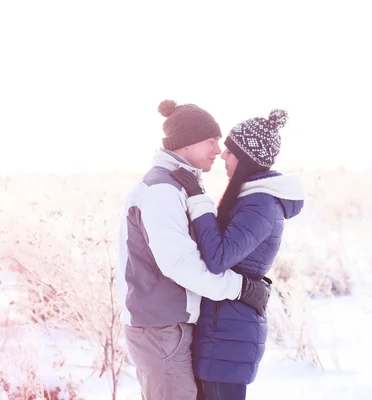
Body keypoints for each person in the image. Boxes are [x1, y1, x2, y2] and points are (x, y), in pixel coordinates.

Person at [116, 100, 273, 400]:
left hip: (171, 327)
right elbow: (181, 265)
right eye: (211, 142)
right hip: (160, 329)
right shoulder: (161, 190)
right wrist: (241, 288)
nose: (218, 150)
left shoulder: (178, 186)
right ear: (186, 143)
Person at [170, 109, 306, 400]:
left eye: (229, 151)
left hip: (230, 335)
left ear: (245, 158)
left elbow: (219, 258)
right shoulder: (251, 199)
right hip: (223, 328)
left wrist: (197, 198)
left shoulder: (260, 204)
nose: (222, 156)